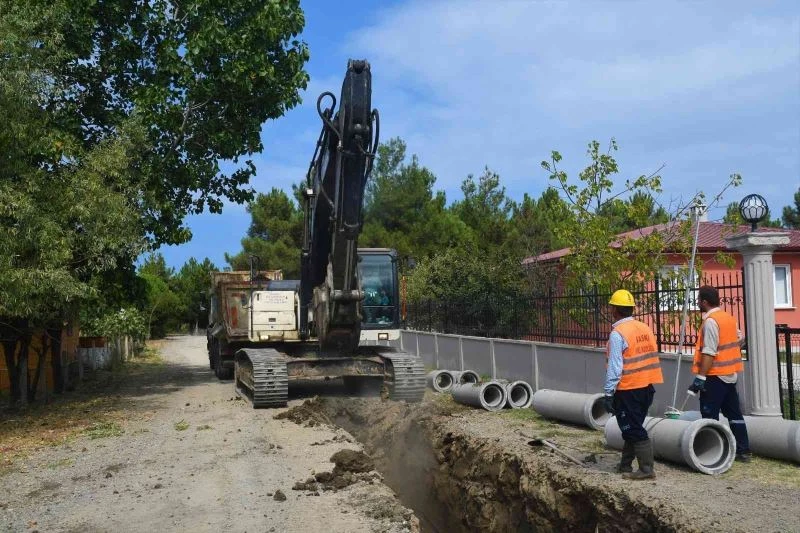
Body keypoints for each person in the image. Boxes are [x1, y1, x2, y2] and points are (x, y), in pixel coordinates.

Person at [604, 289, 664, 480]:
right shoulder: (644, 328)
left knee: (633, 428)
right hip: (647, 386)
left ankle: (647, 469)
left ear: (614, 309)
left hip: (629, 388)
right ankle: (625, 465)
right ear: (631, 308)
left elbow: (615, 367)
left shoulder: (618, 334)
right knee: (632, 425)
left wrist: (608, 393)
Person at [688, 285, 751, 463]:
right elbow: (739, 339)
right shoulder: (729, 318)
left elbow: (709, 352)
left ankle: (715, 451)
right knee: (735, 415)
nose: (697, 303)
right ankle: (743, 450)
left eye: (699, 300)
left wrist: (700, 378)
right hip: (730, 375)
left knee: (709, 415)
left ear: (705, 302)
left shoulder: (710, 321)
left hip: (714, 376)